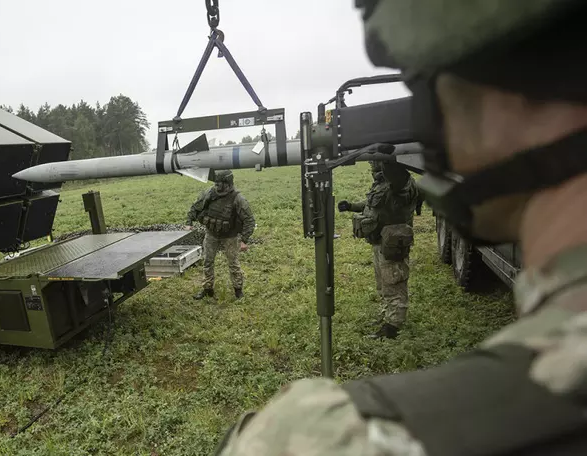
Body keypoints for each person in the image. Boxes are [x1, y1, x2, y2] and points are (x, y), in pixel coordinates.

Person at [214, 1, 587, 454]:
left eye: (425, 88)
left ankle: (394, 322)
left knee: (394, 284)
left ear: (515, 92)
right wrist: (355, 205)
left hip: (390, 239)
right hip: (382, 235)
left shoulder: (310, 438)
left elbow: (392, 195)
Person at [338, 159, 419, 339]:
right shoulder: (382, 183)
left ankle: (393, 327)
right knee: (383, 284)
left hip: (392, 243)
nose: (371, 163)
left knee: (394, 283)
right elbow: (372, 205)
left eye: (375, 160)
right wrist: (351, 206)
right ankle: (387, 316)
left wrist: (389, 158)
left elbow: (397, 177)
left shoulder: (400, 182)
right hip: (380, 242)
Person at [186, 170, 255, 300]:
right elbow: (196, 206)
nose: (217, 186)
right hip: (211, 234)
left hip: (230, 236)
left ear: (228, 184)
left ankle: (238, 290)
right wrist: (189, 221)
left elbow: (249, 220)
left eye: (220, 184)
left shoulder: (238, 199)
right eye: (216, 183)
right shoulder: (210, 193)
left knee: (233, 263)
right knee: (207, 261)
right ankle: (207, 289)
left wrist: (244, 240)